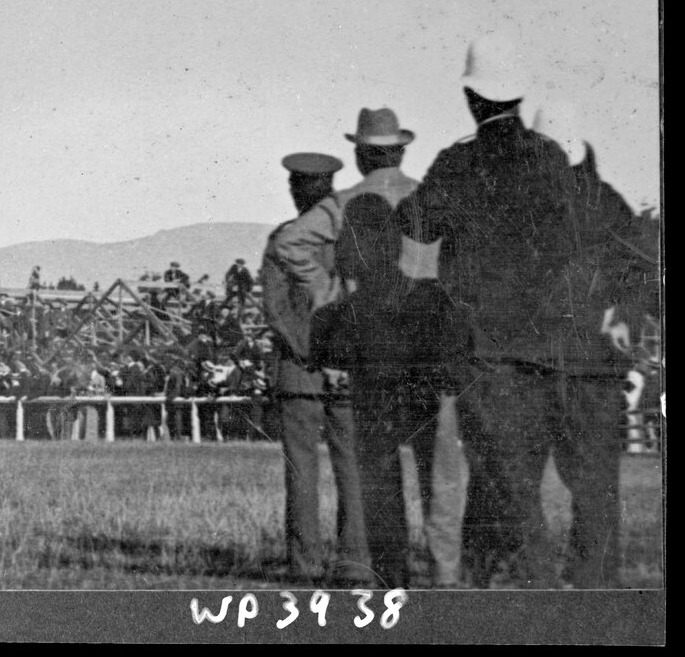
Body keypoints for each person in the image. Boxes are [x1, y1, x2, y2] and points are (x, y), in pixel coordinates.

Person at [392, 35, 588, 588]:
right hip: (546, 348)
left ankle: (542, 593)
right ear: (519, 97)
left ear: (473, 99)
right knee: (514, 473)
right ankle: (485, 585)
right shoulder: (550, 157)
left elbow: (416, 223)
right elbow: (572, 242)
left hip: (484, 349)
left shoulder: (458, 162)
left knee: (506, 483)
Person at [278, 107, 467, 588]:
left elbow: (290, 244)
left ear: (360, 154)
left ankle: (391, 581)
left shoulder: (344, 202)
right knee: (441, 473)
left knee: (380, 474)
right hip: (432, 344)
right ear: (402, 150)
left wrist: (328, 294)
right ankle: (446, 575)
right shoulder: (429, 197)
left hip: (374, 349)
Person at [527, 100, 656, 586]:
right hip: (590, 366)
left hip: (544, 364)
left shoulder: (528, 209)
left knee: (520, 482)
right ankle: (595, 581)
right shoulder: (610, 203)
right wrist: (622, 313)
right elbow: (643, 275)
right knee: (597, 482)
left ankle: (538, 579)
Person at [261, 151, 370, 585]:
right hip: (349, 372)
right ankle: (356, 564)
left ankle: (305, 566)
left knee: (302, 471)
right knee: (354, 470)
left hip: (300, 371)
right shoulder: (355, 238)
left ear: (296, 189)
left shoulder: (284, 240)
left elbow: (277, 310)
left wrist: (312, 353)